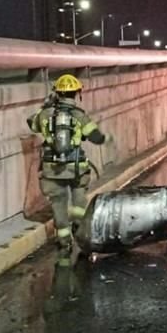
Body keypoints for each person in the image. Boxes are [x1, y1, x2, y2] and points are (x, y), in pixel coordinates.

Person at [27, 74, 107, 265]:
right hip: (76, 169)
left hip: (52, 170)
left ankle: (64, 242)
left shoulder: (46, 115)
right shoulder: (79, 115)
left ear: (57, 93)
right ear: (77, 93)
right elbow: (96, 137)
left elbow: (31, 123)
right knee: (79, 201)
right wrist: (106, 139)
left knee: (58, 204)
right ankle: (79, 229)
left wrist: (46, 105)